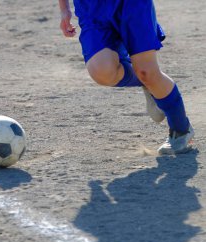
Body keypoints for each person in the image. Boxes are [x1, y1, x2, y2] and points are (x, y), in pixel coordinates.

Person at [58, 0, 194, 155]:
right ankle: (149, 85)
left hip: (131, 4)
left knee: (147, 72)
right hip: (92, 8)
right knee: (101, 70)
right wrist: (64, 9)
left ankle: (181, 130)